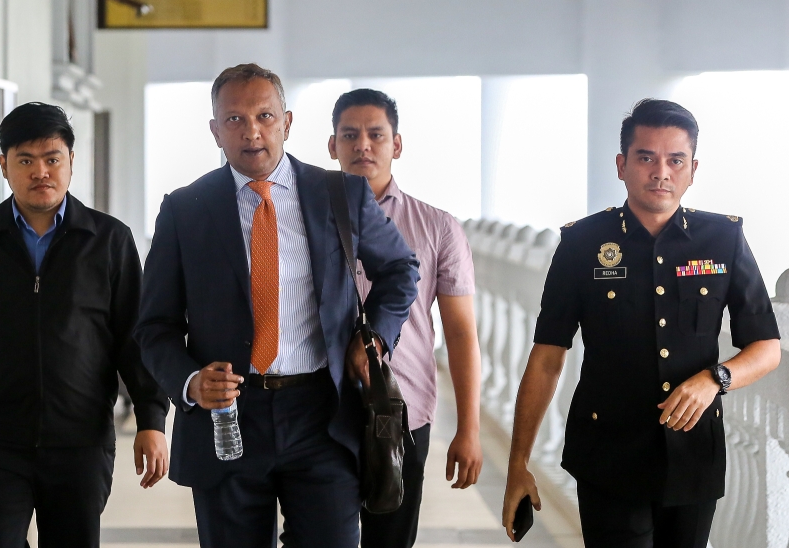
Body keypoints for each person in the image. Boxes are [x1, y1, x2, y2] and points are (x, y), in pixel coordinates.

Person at [134, 64, 420, 548]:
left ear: (286, 123)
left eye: (264, 116)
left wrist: (373, 337)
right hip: (227, 418)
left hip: (322, 415)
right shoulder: (186, 209)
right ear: (214, 130)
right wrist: (189, 381)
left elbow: (399, 270)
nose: (252, 132)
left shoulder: (340, 195)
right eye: (234, 120)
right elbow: (154, 326)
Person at [501, 99, 781, 547]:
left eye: (676, 160)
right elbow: (548, 356)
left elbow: (766, 347)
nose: (661, 172)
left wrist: (716, 379)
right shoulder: (582, 243)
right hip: (607, 456)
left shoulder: (724, 239)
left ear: (693, 169)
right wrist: (518, 464)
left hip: (693, 456)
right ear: (621, 165)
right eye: (646, 157)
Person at [0, 103, 169, 548]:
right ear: (4, 166)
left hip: (81, 444)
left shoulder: (109, 241)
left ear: (71, 162)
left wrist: (152, 419)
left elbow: (134, 341)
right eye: (25, 160)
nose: (40, 172)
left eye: (52, 159)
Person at [327, 88, 482, 548]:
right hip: (320, 411)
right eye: (349, 135)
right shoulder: (306, 219)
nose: (363, 145)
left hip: (404, 411)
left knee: (390, 540)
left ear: (397, 145)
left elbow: (460, 334)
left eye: (376, 134)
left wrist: (469, 429)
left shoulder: (437, 227)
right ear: (331, 145)